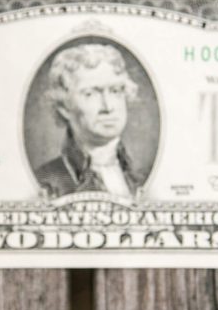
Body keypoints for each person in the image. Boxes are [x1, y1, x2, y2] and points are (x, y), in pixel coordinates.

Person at [35, 43, 146, 198]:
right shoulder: (46, 181)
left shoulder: (142, 177)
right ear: (64, 107)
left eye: (115, 91)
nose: (108, 107)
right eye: (90, 94)